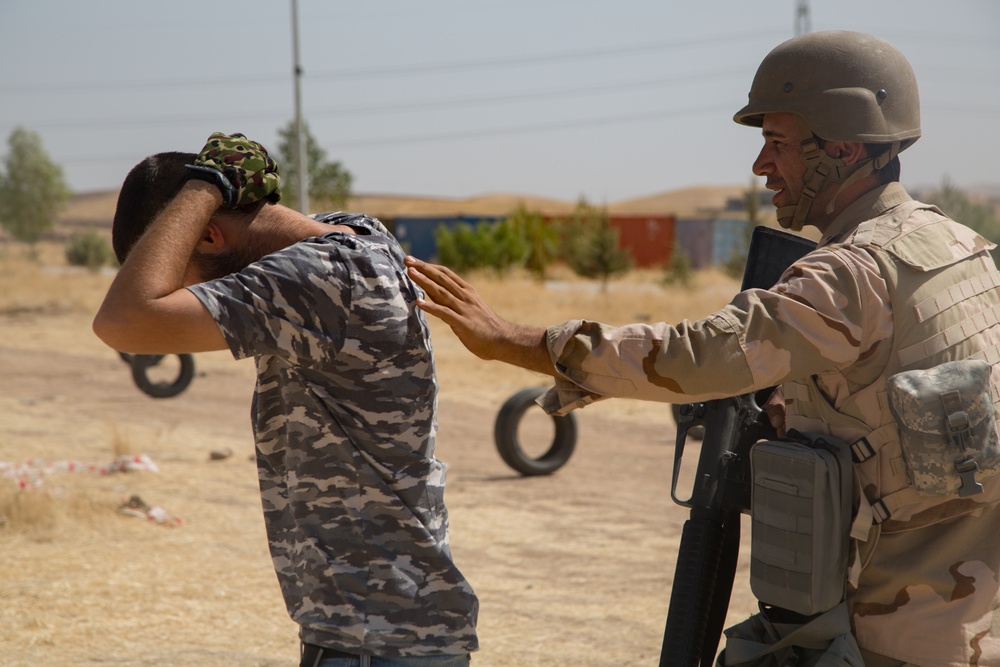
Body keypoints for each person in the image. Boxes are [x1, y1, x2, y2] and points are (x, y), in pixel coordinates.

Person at [404, 31, 1000, 667]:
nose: (761, 166)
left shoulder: (852, 274)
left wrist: (517, 343)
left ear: (846, 147)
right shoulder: (966, 252)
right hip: (968, 628)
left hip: (886, 637)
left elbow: (699, 355)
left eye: (777, 142)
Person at [93, 133, 479, 667]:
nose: (180, 301)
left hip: (375, 639)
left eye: (179, 284)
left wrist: (206, 183)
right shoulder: (356, 241)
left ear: (208, 234)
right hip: (383, 631)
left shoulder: (325, 276)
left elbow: (124, 320)